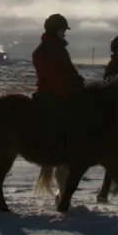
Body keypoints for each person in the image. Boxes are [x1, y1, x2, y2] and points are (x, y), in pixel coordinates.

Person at [32, 13, 89, 162]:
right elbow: (57, 76)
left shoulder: (49, 49)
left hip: (53, 93)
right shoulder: (53, 50)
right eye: (63, 30)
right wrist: (75, 87)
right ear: (56, 30)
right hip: (56, 95)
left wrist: (78, 81)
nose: (64, 33)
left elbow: (68, 72)